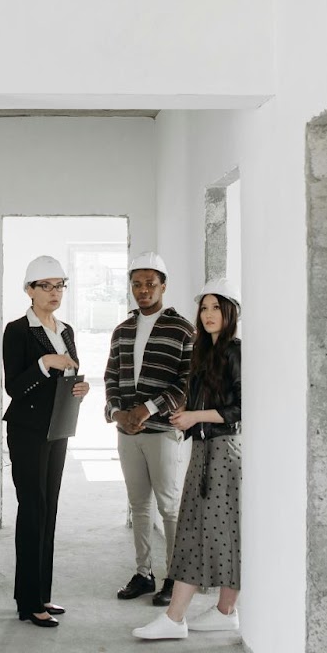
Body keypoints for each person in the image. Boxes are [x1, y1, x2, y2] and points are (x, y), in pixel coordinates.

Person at [133, 278, 243, 640]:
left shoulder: (234, 352)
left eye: (216, 307)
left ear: (230, 312)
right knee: (210, 532)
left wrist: (196, 416)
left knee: (203, 533)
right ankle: (223, 610)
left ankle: (177, 616)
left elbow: (238, 409)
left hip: (223, 453)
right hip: (203, 450)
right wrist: (186, 412)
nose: (209, 314)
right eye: (205, 307)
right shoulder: (204, 353)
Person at [2, 255, 90, 628]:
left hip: (57, 427)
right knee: (33, 508)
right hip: (26, 429)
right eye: (46, 286)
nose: (55, 293)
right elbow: (14, 387)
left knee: (49, 509)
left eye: (60, 286)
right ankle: (28, 600)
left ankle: (43, 594)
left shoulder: (66, 329)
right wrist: (44, 364)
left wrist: (79, 387)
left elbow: (70, 371)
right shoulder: (18, 330)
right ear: (29, 290)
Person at [103, 252, 194, 606]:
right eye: (137, 284)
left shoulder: (182, 329)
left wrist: (148, 408)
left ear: (163, 286)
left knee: (169, 506)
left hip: (161, 432)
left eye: (150, 284)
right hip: (128, 433)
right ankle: (144, 574)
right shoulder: (123, 330)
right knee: (138, 505)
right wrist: (116, 413)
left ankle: (174, 577)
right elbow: (110, 377)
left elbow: (188, 382)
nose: (143, 291)